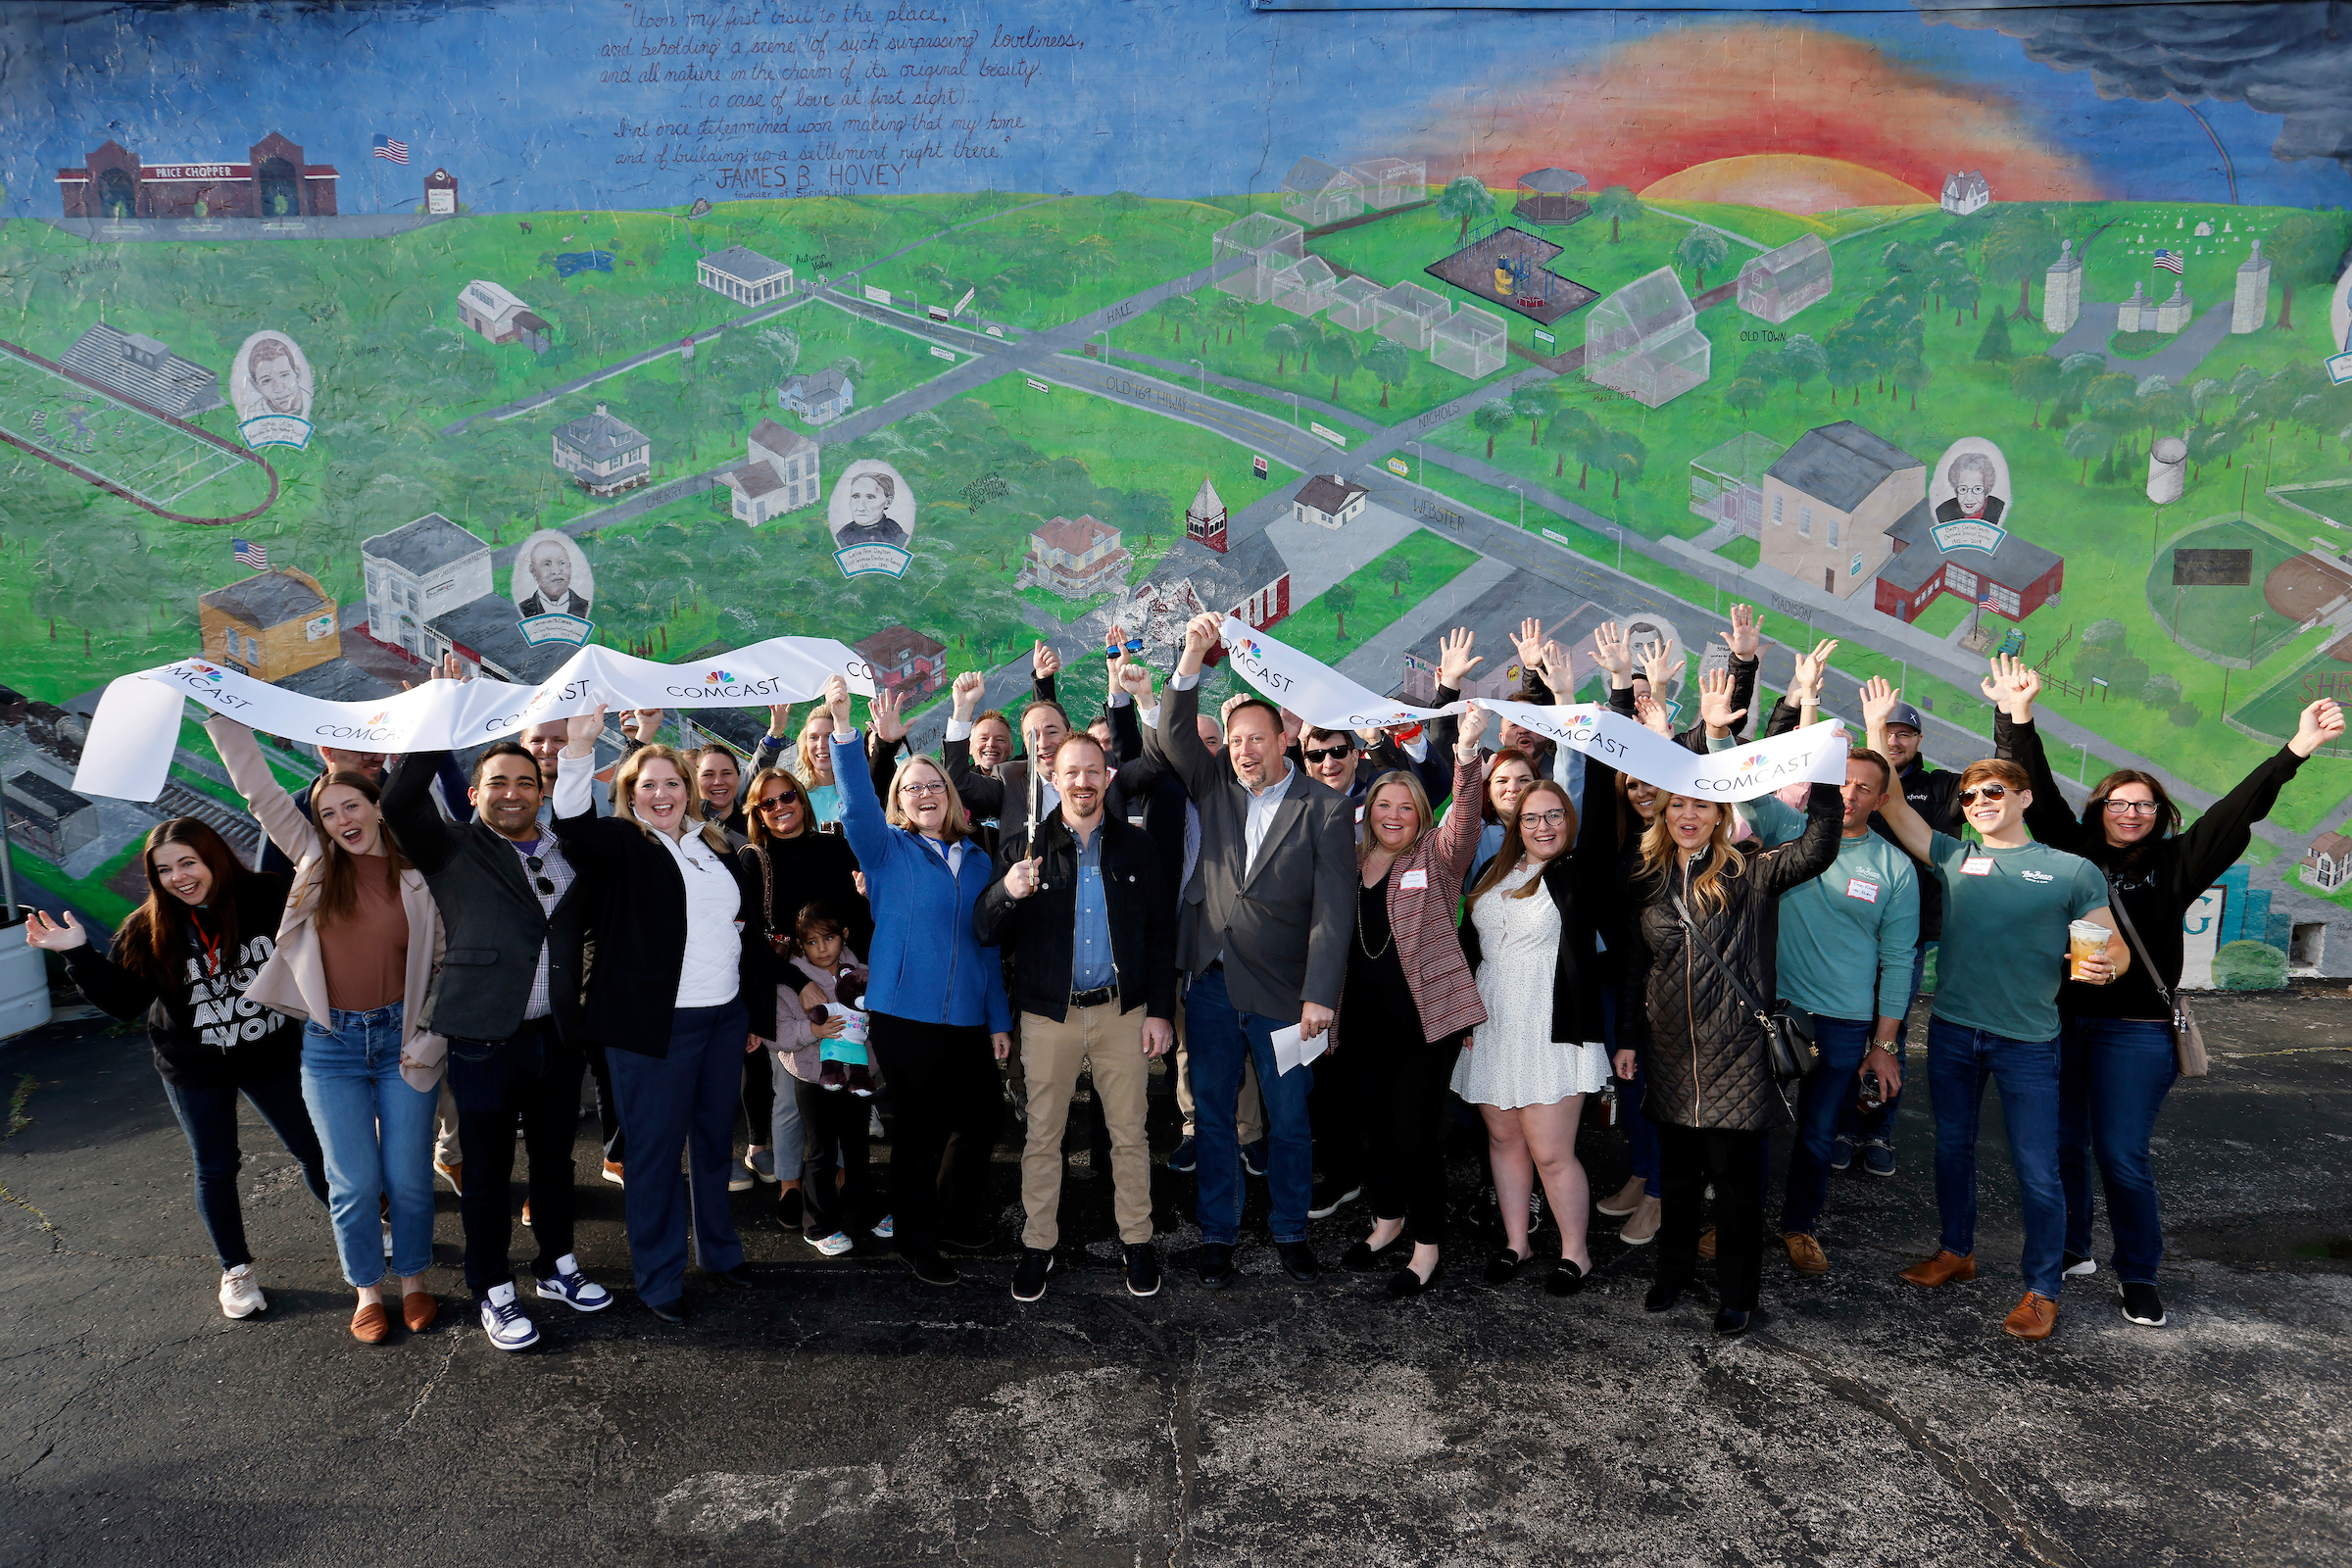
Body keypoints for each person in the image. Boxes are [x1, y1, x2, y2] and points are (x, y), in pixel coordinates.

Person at [1992, 658, 2341, 1326]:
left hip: (2136, 1030)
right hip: (2062, 1024)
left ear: (2159, 814)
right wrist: (2019, 715)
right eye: (2117, 803)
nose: (2130, 813)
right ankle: (2073, 1249)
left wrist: (2297, 748)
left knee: (2121, 1155)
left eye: (2143, 805)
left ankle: (2140, 1273)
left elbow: (2240, 808)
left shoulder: (2180, 862)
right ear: (2100, 810)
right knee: (2064, 1145)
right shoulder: (2074, 851)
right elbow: (2033, 785)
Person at [1863, 676, 2128, 1343]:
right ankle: (1957, 1251)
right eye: (1972, 794)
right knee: (1951, 1150)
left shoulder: (2069, 871)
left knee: (2038, 1169)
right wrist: (1874, 731)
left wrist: (2103, 964)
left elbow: (2107, 946)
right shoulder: (1954, 856)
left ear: (2023, 798)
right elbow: (1889, 801)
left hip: (2030, 1042)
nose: (1980, 801)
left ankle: (2043, 1288)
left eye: (1995, 792)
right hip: (1954, 1032)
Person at [28, 821, 329, 1321]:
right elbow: (126, 1002)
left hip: (269, 1051)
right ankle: (236, 1269)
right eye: (164, 869)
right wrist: (76, 954)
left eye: (188, 862)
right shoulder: (147, 927)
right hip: (192, 1064)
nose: (179, 877)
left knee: (313, 1147)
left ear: (214, 857)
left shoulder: (265, 893)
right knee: (216, 1165)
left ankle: (359, 1229)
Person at [208, 714, 446, 1346]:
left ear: (376, 806)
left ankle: (416, 1279)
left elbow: (445, 963)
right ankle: (369, 1289)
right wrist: (221, 714)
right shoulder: (314, 863)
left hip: (404, 1042)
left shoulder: (417, 875)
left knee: (409, 1177)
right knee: (355, 1182)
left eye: (352, 805)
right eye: (328, 810)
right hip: (332, 1046)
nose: (342, 818)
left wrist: (429, 1033)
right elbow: (258, 792)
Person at [1619, 699, 1842, 1337]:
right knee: (1679, 1178)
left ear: (1720, 816)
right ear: (1665, 814)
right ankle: (1673, 1274)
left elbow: (1819, 845)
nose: (1688, 815)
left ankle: (1738, 1294)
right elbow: (1639, 966)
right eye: (1678, 805)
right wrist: (1632, 1039)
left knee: (1737, 1188)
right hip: (1670, 1055)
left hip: (1738, 1058)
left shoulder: (1751, 873)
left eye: (1701, 806)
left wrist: (1824, 771)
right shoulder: (1649, 877)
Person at [382, 738, 612, 1352]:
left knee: (555, 1162)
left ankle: (557, 1264)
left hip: (557, 1037)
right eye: (498, 782)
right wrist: (437, 721)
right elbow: (400, 799)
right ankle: (491, 1286)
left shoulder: (568, 851)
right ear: (473, 792)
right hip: (484, 1037)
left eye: (525, 783)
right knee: (485, 1172)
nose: (512, 793)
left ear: (542, 791)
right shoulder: (452, 848)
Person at [1148, 612, 1355, 1289]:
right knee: (1212, 1115)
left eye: (1254, 739)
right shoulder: (1214, 791)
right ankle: (1218, 1234)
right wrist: (1191, 655)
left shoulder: (1323, 808)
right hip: (1210, 987)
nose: (1242, 750)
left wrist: (1321, 993)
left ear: (1283, 742)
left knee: (1290, 1120)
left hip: (1288, 997)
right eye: (1234, 741)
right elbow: (1174, 730)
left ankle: (1290, 1229)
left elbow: (1334, 909)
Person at [548, 709, 775, 1324]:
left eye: (672, 783)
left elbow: (742, 933)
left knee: (712, 1145)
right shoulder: (622, 844)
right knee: (652, 1155)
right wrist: (578, 749)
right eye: (646, 784)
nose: (661, 793)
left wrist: (751, 1011)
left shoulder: (717, 845)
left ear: (689, 790)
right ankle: (658, 1279)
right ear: (629, 794)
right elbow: (571, 827)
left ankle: (721, 1255)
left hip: (723, 1018)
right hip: (655, 1028)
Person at [976, 729, 1178, 1301]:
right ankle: (1038, 1246)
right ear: (1053, 778)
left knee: (1130, 1135)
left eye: (1094, 771)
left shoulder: (1137, 847)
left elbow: (1160, 936)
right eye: (1072, 772)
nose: (1083, 782)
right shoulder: (1024, 846)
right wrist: (1007, 892)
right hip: (1048, 1016)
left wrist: (1159, 1011)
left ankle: (1136, 1241)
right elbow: (985, 930)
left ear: (1107, 777)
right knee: (1043, 1137)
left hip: (1121, 1012)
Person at [825, 675, 1013, 1286]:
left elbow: (985, 945)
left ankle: (954, 1216)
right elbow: (854, 804)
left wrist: (999, 1021)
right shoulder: (885, 852)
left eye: (935, 784)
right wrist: (851, 733)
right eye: (913, 787)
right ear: (900, 801)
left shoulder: (979, 858)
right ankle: (916, 1236)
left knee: (982, 1117)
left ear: (953, 797)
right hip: (904, 1015)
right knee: (918, 1132)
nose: (925, 792)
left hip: (965, 1017)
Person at [1457, 629, 1628, 1298]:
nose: (1545, 824)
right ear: (1517, 823)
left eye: (1555, 815)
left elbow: (1592, 778)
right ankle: (1515, 1243)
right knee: (1504, 1143)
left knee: (1553, 1151)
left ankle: (1576, 1252)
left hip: (1554, 1028)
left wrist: (1569, 700)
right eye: (1533, 817)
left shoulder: (1577, 876)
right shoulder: (1496, 869)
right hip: (1493, 1022)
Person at [1100, 661, 1270, 1180]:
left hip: (1231, 946)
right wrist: (1128, 693)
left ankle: (1250, 1135)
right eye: (1194, 741)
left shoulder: (1246, 797)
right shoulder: (1162, 791)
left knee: (1239, 1046)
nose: (1204, 749)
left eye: (1214, 740)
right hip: (1170, 939)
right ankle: (1196, 1128)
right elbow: (1136, 751)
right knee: (1186, 1043)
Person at [1339, 710, 1490, 1298]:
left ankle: (1427, 1247)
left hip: (1428, 1025)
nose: (1394, 816)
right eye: (1384, 806)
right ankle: (1387, 1220)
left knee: (1415, 1132)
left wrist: (1469, 751)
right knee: (1375, 1129)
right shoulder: (1351, 863)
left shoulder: (1436, 856)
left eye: (1405, 807)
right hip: (1364, 1023)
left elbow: (1468, 819)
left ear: (1421, 814)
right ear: (1368, 812)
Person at [740, 762, 871, 1234]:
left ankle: (832, 1176)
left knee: (841, 1076)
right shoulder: (755, 860)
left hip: (842, 980)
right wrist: (798, 982)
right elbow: (753, 938)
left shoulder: (834, 848)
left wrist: (857, 976)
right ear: (757, 812)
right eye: (767, 803)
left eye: (787, 797)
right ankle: (790, 1184)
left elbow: (858, 916)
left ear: (802, 797)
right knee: (792, 1094)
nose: (780, 808)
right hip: (786, 983)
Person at [1843, 689, 1964, 1178]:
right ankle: (1842, 1127)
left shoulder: (1939, 788)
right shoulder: (1851, 781)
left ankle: (1878, 1132)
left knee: (1890, 1032)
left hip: (1904, 937)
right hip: (1849, 933)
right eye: (1885, 730)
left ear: (1918, 739)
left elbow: (1994, 784)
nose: (1894, 739)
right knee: (1846, 1029)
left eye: (1904, 732)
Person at [760, 902, 876, 1256]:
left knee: (857, 1148)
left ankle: (863, 1212)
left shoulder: (863, 972)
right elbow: (774, 1033)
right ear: (800, 944)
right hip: (813, 1079)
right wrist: (812, 1029)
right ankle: (818, 1225)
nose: (822, 948)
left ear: (844, 936)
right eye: (812, 942)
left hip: (858, 1078)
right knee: (823, 1151)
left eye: (828, 938)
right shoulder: (790, 980)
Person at [833, 469, 911, 549]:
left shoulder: (897, 535)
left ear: (888, 502)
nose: (860, 507)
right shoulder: (843, 535)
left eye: (870, 497)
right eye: (856, 497)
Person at [516, 536, 592, 618]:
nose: (556, 571)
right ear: (533, 570)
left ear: (569, 566)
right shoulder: (521, 611)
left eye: (562, 563)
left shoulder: (587, 607)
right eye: (547, 564)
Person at [1934, 451, 2006, 526]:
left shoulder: (1998, 509)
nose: (1969, 498)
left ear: (1986, 489)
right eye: (1963, 489)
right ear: (1956, 491)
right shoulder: (1944, 511)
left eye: (1977, 489)